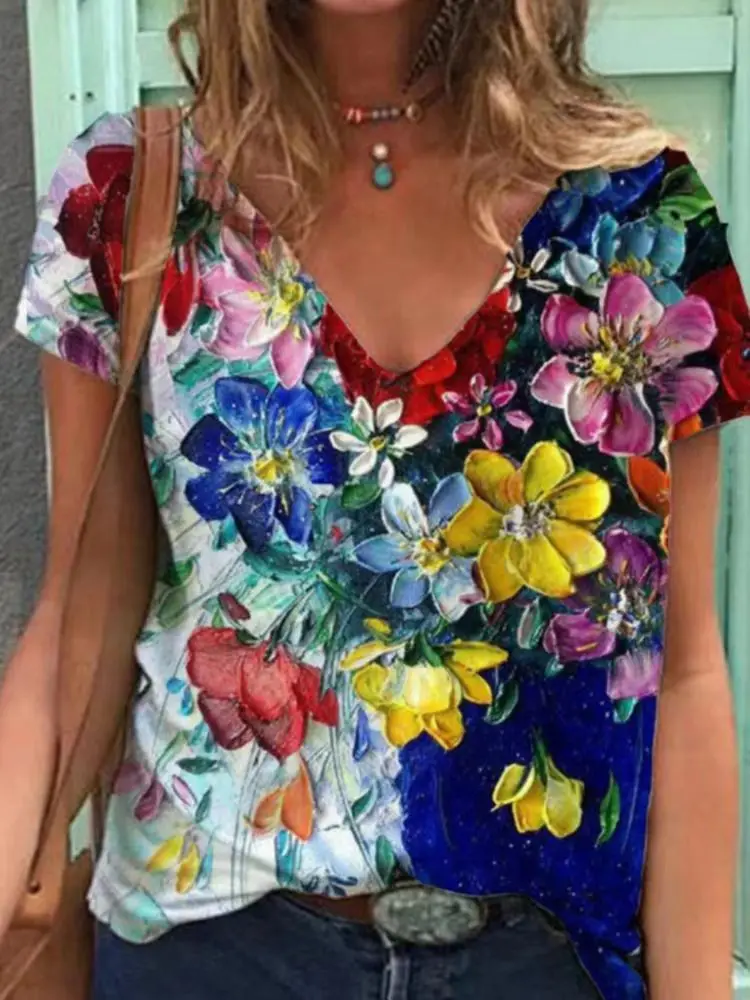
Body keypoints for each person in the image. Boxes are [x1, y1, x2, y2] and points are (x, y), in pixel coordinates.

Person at [2, 0, 748, 997]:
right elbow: (77, 613)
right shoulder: (130, 198)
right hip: (208, 953)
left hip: (545, 961)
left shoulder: (641, 221)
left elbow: (682, 669)